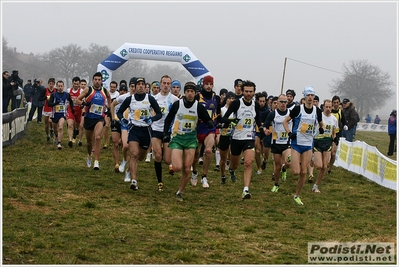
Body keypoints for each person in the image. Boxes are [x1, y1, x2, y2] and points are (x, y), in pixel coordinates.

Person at [163, 82, 213, 201]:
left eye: (192, 92)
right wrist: (166, 134)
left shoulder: (198, 106)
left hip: (191, 140)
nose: (190, 94)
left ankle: (180, 191)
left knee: (186, 168)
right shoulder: (177, 104)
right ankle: (175, 169)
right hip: (178, 139)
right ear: (184, 93)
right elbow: (168, 120)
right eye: (188, 91)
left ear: (195, 93)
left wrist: (210, 123)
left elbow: (207, 119)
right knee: (177, 167)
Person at [116, 77, 162, 190]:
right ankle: (134, 181)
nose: (141, 86)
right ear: (135, 87)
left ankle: (129, 170)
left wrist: (152, 119)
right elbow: (120, 112)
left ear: (145, 87)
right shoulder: (130, 99)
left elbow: (159, 114)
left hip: (146, 131)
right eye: (139, 84)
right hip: (133, 129)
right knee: (133, 154)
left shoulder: (150, 98)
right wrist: (122, 119)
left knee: (140, 157)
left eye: (143, 84)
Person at [283, 86, 324, 205]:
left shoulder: (317, 111)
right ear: (304, 97)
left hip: (308, 145)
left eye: (312, 95)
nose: (310, 97)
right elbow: (285, 121)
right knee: (295, 172)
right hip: (296, 144)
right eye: (308, 95)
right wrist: (290, 133)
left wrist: (321, 129)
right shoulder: (297, 109)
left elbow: (322, 125)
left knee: (304, 172)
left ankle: (297, 195)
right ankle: (284, 167)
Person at [222, 80, 263, 199]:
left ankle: (246, 190)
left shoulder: (255, 105)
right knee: (235, 164)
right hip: (236, 138)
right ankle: (231, 170)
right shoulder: (236, 103)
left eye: (251, 91)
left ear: (254, 92)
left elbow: (258, 119)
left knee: (248, 162)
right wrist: (231, 121)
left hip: (249, 138)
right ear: (242, 91)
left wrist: (261, 128)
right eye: (246, 91)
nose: (249, 93)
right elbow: (224, 119)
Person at [76, 72, 112, 170]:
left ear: (101, 81)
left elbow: (109, 97)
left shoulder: (105, 90)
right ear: (92, 80)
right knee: (89, 143)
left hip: (99, 118)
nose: (97, 81)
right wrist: (84, 103)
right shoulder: (88, 89)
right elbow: (77, 100)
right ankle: (89, 156)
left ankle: (96, 161)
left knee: (97, 137)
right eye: (95, 79)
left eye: (99, 80)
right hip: (89, 118)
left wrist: (109, 107)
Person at [150, 75, 180, 191]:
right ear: (160, 84)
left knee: (167, 160)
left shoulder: (175, 100)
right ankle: (159, 181)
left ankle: (163, 151)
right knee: (158, 156)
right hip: (156, 130)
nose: (166, 85)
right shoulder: (154, 98)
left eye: (168, 83)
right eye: (164, 83)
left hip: (168, 132)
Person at [191, 75, 221, 188]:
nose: (208, 86)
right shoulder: (197, 96)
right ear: (203, 84)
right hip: (198, 128)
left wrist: (222, 121)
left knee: (208, 151)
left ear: (213, 85)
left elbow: (218, 113)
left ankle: (204, 176)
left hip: (210, 128)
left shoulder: (216, 98)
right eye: (206, 84)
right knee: (196, 154)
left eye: (210, 84)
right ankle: (194, 172)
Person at [263, 94, 292, 193]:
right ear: (277, 103)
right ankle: (276, 183)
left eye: (285, 102)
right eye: (281, 102)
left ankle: (285, 168)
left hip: (287, 142)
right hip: (276, 142)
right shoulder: (273, 114)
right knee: (277, 166)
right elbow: (265, 125)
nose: (283, 104)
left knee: (289, 162)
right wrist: (265, 130)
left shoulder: (290, 113)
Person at [312, 99, 338, 193]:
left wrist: (335, 139)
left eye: (329, 107)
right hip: (318, 142)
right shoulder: (319, 116)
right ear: (323, 107)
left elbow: (334, 132)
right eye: (326, 107)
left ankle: (316, 185)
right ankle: (312, 159)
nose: (328, 109)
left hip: (327, 143)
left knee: (324, 167)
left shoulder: (334, 119)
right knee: (319, 166)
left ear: (332, 108)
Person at [47, 80, 74, 149]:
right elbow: (49, 104)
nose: (60, 87)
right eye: (59, 86)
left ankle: (59, 143)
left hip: (62, 114)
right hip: (55, 114)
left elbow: (71, 101)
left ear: (63, 86)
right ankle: (56, 135)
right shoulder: (53, 94)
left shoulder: (66, 94)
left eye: (61, 86)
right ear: (56, 86)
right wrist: (55, 103)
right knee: (55, 128)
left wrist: (72, 108)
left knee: (61, 127)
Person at [110, 84, 129, 173]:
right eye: (121, 90)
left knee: (124, 145)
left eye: (124, 91)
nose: (122, 92)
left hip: (126, 124)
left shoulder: (130, 99)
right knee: (116, 143)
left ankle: (124, 160)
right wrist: (113, 117)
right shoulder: (118, 99)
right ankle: (116, 164)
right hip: (117, 122)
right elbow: (112, 105)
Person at [217, 91, 235, 184]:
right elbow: (218, 122)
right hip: (224, 135)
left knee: (233, 155)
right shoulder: (222, 110)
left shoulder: (236, 111)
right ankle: (223, 175)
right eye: (229, 98)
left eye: (233, 98)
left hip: (234, 135)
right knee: (223, 158)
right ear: (226, 99)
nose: (231, 100)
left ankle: (232, 171)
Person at [327, 95, 346, 175]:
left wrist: (345, 126)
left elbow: (344, 121)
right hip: (328, 133)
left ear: (339, 103)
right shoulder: (329, 111)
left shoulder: (340, 112)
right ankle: (324, 164)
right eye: (334, 103)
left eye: (337, 103)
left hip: (337, 134)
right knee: (327, 151)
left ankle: (330, 169)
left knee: (333, 153)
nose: (336, 104)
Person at [66, 76, 83, 148]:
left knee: (79, 125)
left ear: (79, 84)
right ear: (72, 83)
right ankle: (70, 140)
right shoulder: (68, 90)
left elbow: (83, 101)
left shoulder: (81, 91)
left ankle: (79, 139)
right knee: (70, 125)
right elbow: (66, 101)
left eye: (77, 84)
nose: (76, 85)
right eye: (74, 84)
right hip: (71, 109)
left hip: (79, 110)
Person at [102, 81, 119, 149]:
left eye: (114, 87)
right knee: (106, 126)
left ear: (116, 87)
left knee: (114, 127)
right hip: (107, 112)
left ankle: (112, 138)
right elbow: (104, 102)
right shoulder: (107, 93)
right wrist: (107, 106)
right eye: (111, 87)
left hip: (115, 113)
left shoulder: (118, 94)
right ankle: (105, 143)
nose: (112, 88)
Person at [254, 92, 268, 174]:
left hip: (265, 132)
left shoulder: (268, 110)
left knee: (265, 154)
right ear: (257, 101)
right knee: (258, 151)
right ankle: (259, 168)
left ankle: (265, 160)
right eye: (260, 101)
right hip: (257, 132)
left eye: (263, 101)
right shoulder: (254, 108)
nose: (262, 103)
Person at [40, 78, 56, 142]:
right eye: (50, 84)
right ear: (48, 84)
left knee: (51, 121)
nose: (51, 85)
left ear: (54, 84)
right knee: (46, 124)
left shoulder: (56, 90)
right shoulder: (45, 90)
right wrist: (45, 98)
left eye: (52, 84)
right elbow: (40, 98)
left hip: (53, 109)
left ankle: (52, 129)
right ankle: (48, 135)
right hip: (46, 109)